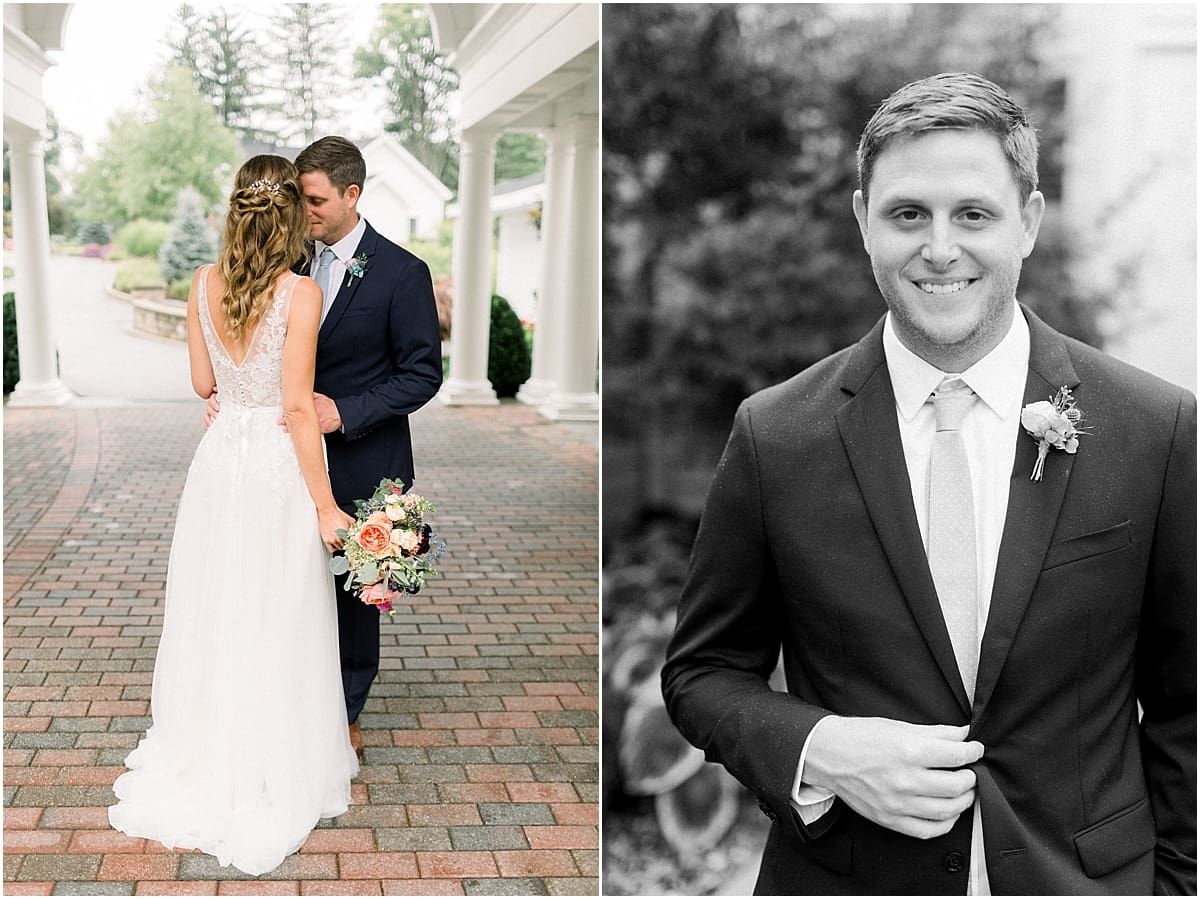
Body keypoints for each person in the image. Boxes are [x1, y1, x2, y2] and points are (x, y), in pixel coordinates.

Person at [661, 72, 1195, 895]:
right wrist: (822, 748)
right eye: (907, 213)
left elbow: (1186, 704)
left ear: (1029, 223)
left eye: (973, 214)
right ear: (862, 223)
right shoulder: (775, 434)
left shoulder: (1154, 427)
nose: (939, 248)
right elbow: (702, 673)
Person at [109, 155, 360, 875]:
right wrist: (325, 503)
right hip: (276, 467)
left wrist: (227, 391)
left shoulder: (201, 283)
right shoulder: (301, 293)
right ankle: (268, 759)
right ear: (289, 217)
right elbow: (294, 405)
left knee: (218, 603)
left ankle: (209, 746)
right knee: (274, 608)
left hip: (221, 463)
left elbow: (201, 381)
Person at [206, 136, 444, 759]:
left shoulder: (402, 272)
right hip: (282, 460)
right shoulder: (288, 265)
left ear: (352, 195)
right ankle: (286, 702)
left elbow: (423, 374)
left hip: (365, 458)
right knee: (286, 587)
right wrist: (234, 397)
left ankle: (345, 711)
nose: (303, 211)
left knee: (355, 597)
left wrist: (346, 411)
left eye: (313, 200)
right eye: (297, 199)